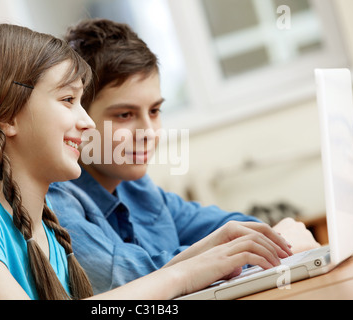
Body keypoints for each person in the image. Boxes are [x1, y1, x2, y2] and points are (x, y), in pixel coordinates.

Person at [0, 23, 293, 300]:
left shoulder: (47, 233)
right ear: (7, 116)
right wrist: (187, 274)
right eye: (67, 100)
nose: (87, 122)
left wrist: (216, 250)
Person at [47, 18, 320, 294]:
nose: (149, 132)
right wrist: (257, 251)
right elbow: (126, 280)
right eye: (125, 115)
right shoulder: (55, 198)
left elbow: (234, 228)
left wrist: (267, 243)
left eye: (154, 111)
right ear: (78, 117)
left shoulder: (136, 187)